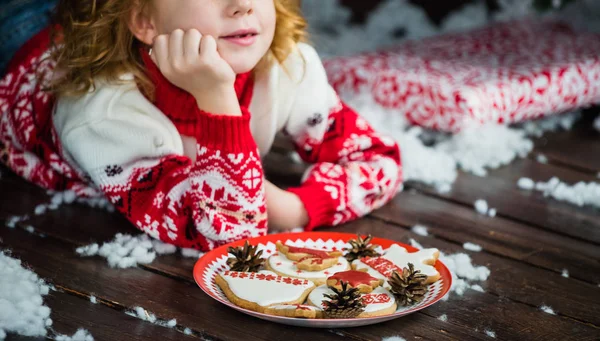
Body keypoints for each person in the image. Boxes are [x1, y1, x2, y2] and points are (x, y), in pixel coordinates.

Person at [0, 0, 402, 250]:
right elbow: (226, 236)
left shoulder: (287, 66)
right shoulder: (102, 113)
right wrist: (217, 99)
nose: (243, 4)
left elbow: (380, 160)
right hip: (20, 49)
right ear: (145, 20)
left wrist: (295, 207)